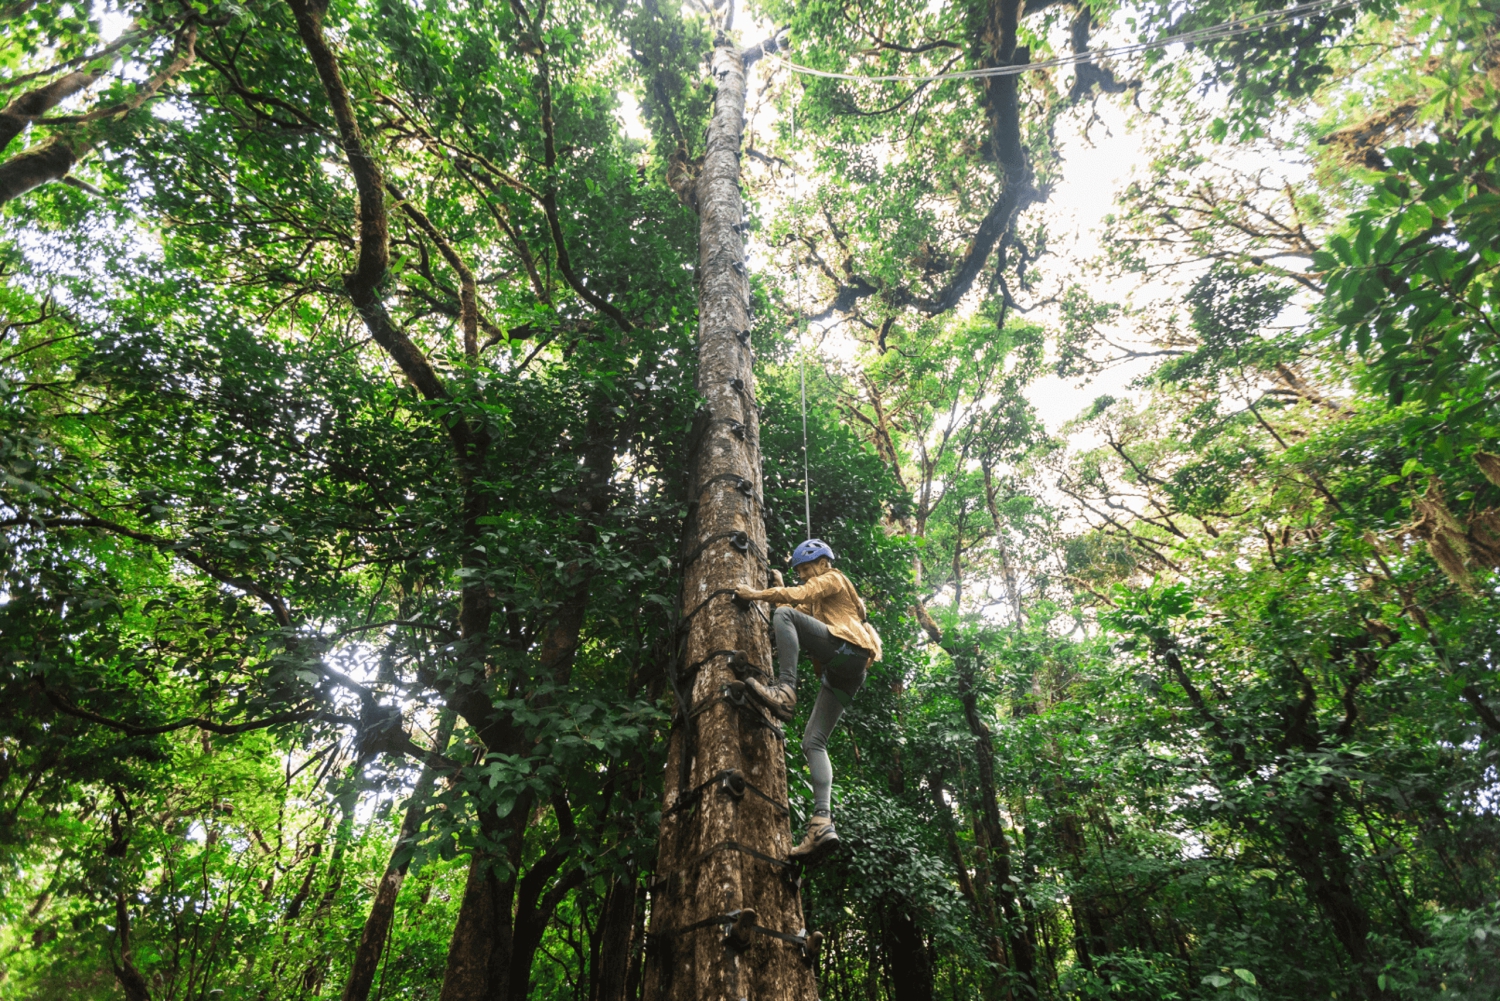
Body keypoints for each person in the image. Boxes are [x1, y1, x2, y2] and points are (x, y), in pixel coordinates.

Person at [734, 539, 882, 864]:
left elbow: (792, 604)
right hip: (847, 673)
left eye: (805, 569)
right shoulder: (817, 597)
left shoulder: (834, 578)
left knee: (784, 612)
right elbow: (796, 611)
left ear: (822, 563)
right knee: (813, 743)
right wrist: (779, 587)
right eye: (798, 572)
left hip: (849, 651)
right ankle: (822, 823)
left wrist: (755, 594)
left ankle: (785, 690)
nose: (802, 576)